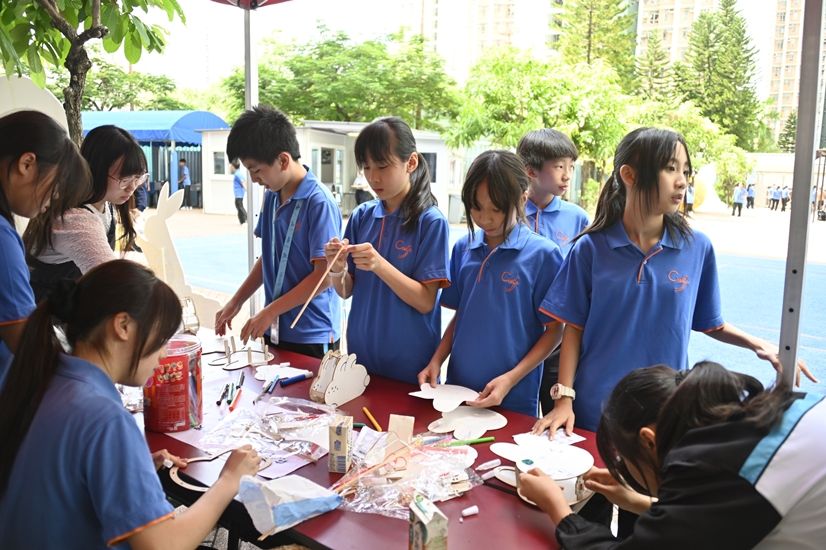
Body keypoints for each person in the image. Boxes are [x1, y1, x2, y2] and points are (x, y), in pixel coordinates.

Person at [533, 128, 815, 533]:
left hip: (663, 414)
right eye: (670, 169)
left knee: (649, 525)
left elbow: (711, 322)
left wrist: (760, 346)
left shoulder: (697, 247)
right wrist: (565, 398)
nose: (682, 181)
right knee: (586, 514)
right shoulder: (591, 248)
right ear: (629, 175)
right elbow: (572, 328)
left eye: (685, 170)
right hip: (597, 411)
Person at [0, 260, 262, 549]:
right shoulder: (105, 419)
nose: (163, 354)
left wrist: (133, 466)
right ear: (123, 326)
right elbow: (163, 545)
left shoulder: (44, 381)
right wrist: (229, 480)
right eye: (161, 338)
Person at [519, 361, 826, 549]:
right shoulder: (760, 421)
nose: (624, 467)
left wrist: (559, 510)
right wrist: (639, 502)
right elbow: (707, 519)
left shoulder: (730, 473)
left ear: (649, 441)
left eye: (625, 457)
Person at [417, 150, 564, 416]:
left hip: (514, 396)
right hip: (458, 389)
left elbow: (555, 331)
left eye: (496, 209)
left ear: (522, 198)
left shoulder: (543, 255)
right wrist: (436, 360)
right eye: (476, 207)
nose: (485, 219)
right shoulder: (463, 248)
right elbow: (462, 315)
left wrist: (510, 379)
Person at [324, 117, 449, 385]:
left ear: (411, 163)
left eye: (382, 166)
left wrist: (379, 265)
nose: (373, 177)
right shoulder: (362, 216)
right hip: (361, 360)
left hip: (411, 366)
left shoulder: (430, 221)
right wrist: (337, 268)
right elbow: (346, 291)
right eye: (366, 167)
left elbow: (426, 302)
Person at [215, 105, 342, 359]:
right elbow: (270, 257)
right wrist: (237, 301)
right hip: (274, 327)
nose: (253, 179)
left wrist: (270, 311)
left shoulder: (318, 202)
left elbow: (325, 276)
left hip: (312, 333)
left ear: (283, 160)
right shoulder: (272, 194)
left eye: (256, 170)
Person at [0, 110, 90, 367]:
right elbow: (30, 345)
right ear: (27, 164)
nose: (56, 197)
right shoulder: (3, 239)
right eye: (57, 184)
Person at [24, 125, 146, 303]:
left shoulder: (104, 203)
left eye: (138, 178)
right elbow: (112, 280)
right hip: (44, 311)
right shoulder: (75, 219)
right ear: (96, 169)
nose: (132, 187)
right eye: (124, 179)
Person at [516, 128, 589, 414]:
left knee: (554, 416)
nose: (568, 175)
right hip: (519, 332)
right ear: (531, 170)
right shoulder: (511, 215)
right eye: (559, 166)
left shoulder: (578, 218)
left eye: (571, 166)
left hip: (560, 339)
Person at [230, 159, 247, 225]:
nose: (230, 166)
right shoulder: (237, 173)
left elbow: (243, 182)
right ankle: (241, 220)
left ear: (233, 166)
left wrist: (247, 190)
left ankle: (247, 218)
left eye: (231, 165)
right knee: (238, 206)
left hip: (239, 194)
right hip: (237, 194)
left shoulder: (238, 174)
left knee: (240, 206)